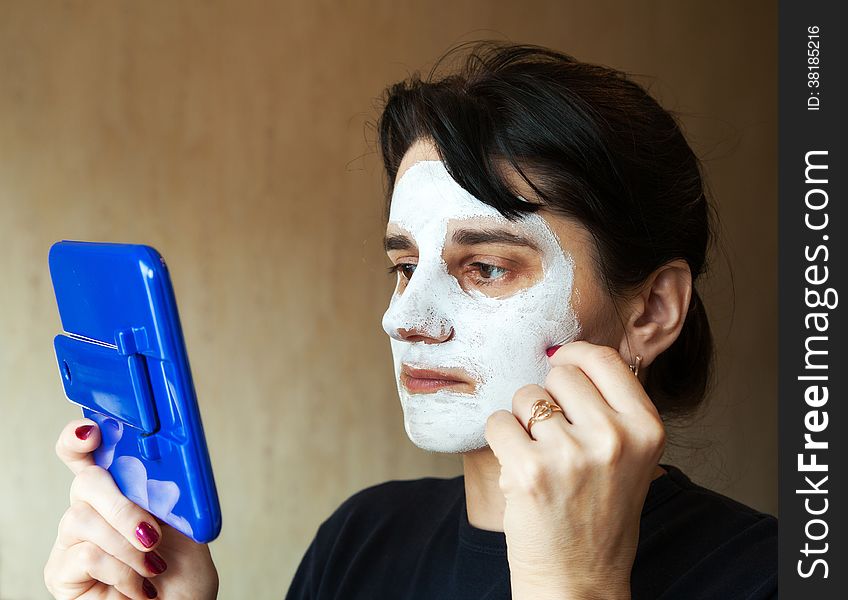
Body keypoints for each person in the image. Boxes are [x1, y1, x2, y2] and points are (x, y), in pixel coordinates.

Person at [44, 42, 777, 600]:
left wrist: (574, 585)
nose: (403, 318)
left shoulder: (765, 573)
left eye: (484, 266)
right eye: (404, 266)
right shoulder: (362, 538)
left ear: (650, 311)